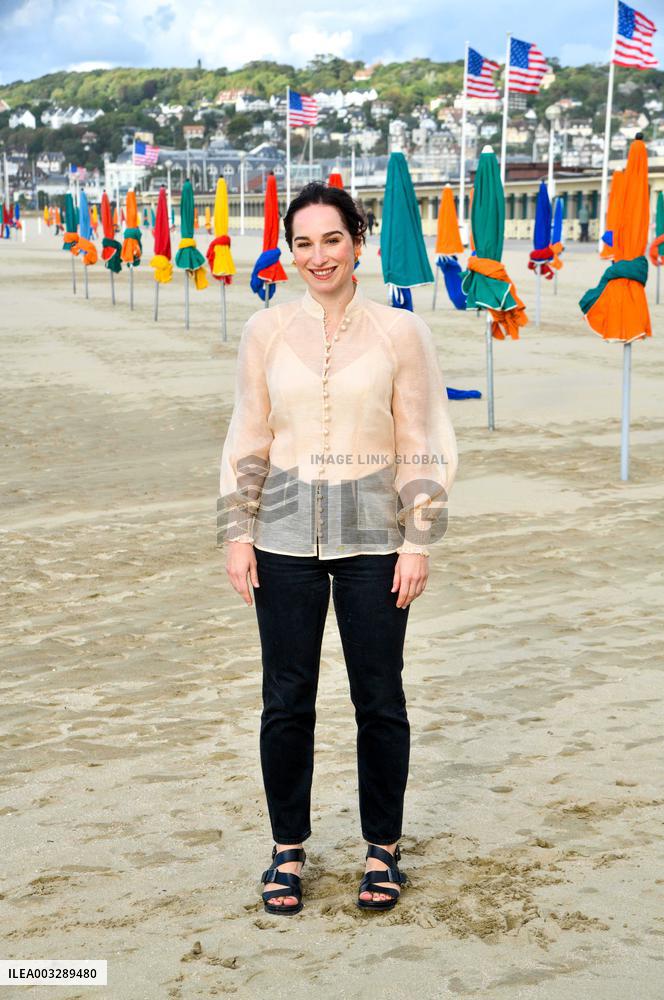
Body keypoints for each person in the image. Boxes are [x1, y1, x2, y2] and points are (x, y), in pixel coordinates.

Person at [218, 182, 458, 915]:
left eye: (332, 239)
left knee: (378, 698)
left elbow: (422, 438)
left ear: (358, 241)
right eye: (303, 243)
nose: (318, 256)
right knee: (285, 700)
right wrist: (238, 530)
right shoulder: (264, 331)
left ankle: (382, 850)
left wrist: (419, 540)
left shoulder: (400, 332)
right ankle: (287, 850)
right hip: (283, 530)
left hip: (376, 536)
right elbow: (248, 434)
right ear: (290, 252)